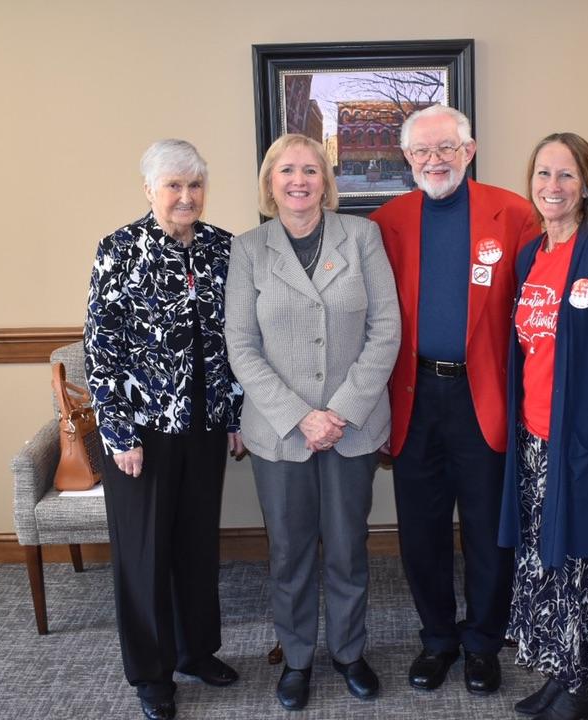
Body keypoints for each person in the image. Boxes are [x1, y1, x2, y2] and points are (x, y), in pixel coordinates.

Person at [224, 134, 400, 711]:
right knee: (290, 551)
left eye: (309, 170)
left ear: (326, 181)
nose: (298, 181)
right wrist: (302, 416)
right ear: (269, 183)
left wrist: (338, 412)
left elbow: (386, 331)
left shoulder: (362, 237)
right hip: (280, 431)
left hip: (353, 426)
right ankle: (297, 658)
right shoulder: (249, 249)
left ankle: (349, 652)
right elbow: (241, 346)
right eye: (286, 171)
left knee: (348, 547)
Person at [369, 105, 540, 695]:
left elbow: (537, 316)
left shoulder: (514, 215)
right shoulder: (387, 221)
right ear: (407, 158)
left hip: (482, 397)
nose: (434, 160)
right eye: (421, 151)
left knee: (489, 530)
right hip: (414, 396)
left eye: (446, 148)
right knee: (421, 530)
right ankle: (438, 639)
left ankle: (484, 643)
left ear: (469, 151)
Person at [84, 139, 244, 720]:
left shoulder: (223, 248)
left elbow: (237, 340)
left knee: (196, 544)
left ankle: (196, 652)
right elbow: (100, 348)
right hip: (142, 433)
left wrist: (234, 414)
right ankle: (152, 674)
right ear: (149, 189)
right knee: (145, 553)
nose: (185, 196)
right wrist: (118, 433)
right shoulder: (119, 249)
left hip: (205, 424)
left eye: (194, 185)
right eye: (173, 185)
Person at [498, 133, 588, 720]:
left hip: (585, 449)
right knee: (546, 564)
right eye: (543, 173)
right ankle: (561, 672)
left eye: (565, 175)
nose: (552, 186)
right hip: (534, 442)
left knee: (583, 565)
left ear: (586, 184)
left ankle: (586, 686)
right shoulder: (529, 256)